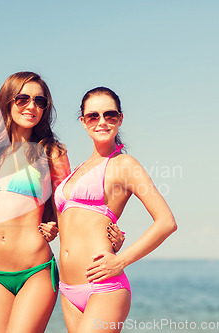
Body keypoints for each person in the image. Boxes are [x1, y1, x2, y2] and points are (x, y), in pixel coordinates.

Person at [0, 72, 124, 333]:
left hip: (35, 270)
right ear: (7, 102)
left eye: (39, 101)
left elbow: (68, 209)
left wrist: (109, 242)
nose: (32, 107)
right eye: (23, 99)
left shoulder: (52, 152)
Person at [54, 87, 177, 333]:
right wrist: (51, 228)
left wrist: (121, 261)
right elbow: (75, 222)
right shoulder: (78, 169)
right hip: (67, 290)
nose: (102, 122)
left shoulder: (125, 165)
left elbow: (166, 222)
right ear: (83, 121)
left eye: (110, 115)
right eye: (93, 116)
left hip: (104, 287)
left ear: (120, 119)